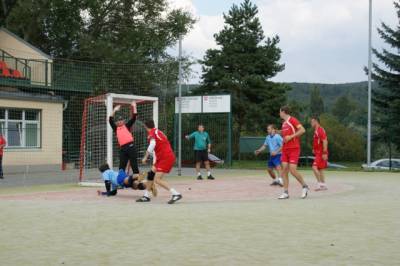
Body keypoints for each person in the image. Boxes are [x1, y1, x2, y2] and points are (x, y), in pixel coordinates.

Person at [137, 120, 182, 204]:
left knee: (157, 179)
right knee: (151, 174)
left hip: (165, 157)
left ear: (146, 126)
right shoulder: (158, 131)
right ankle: (146, 196)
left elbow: (152, 144)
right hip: (161, 157)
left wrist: (145, 157)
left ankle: (176, 194)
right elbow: (165, 138)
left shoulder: (152, 134)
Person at [278, 106, 309, 199]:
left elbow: (302, 130)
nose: (279, 113)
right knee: (284, 171)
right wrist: (276, 132)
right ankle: (286, 192)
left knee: (292, 170)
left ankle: (305, 186)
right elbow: (285, 134)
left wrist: (291, 136)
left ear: (283, 112)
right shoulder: (284, 124)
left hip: (294, 149)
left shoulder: (293, 120)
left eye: (280, 112)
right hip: (285, 150)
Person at [108, 101, 139, 177]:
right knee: (121, 166)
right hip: (123, 148)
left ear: (123, 121)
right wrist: (114, 110)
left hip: (131, 146)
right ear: (117, 122)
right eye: (118, 120)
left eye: (121, 120)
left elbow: (134, 117)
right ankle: (121, 182)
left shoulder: (127, 126)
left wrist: (134, 106)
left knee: (134, 164)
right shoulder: (116, 128)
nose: (119, 121)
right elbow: (110, 119)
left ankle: (137, 180)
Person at [310, 116, 329, 191]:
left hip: (321, 153)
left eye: (312, 121)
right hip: (318, 152)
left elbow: (325, 141)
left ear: (316, 121)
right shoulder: (316, 130)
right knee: (320, 169)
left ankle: (319, 184)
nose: (311, 123)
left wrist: (324, 152)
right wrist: (314, 149)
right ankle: (323, 185)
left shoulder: (320, 130)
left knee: (314, 167)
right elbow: (318, 142)